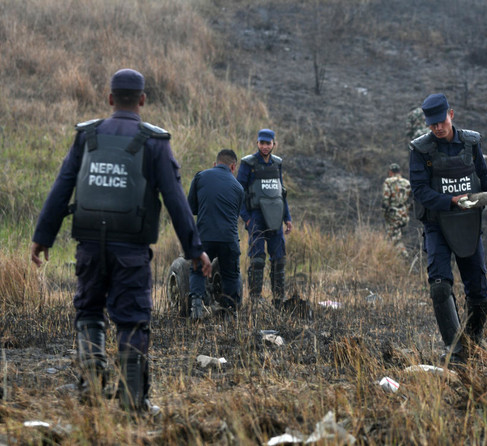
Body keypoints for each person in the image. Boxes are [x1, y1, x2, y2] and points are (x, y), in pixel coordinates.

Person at [30, 68, 212, 413]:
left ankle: (92, 381)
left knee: (88, 310)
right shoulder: (154, 142)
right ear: (142, 100)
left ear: (110, 98)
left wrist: (43, 236)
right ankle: (132, 401)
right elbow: (175, 200)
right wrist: (194, 250)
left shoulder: (87, 136)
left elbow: (62, 186)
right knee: (131, 318)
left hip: (88, 247)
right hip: (131, 251)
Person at [409, 93, 487, 364]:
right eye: (432, 124)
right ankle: (456, 352)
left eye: (441, 121)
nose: (437, 128)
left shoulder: (471, 143)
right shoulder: (421, 150)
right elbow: (421, 191)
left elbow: (483, 179)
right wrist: (451, 200)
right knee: (439, 285)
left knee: (479, 292)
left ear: (451, 114)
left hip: (468, 222)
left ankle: (471, 341)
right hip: (437, 224)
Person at [237, 129, 293, 304]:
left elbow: (281, 194)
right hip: (256, 217)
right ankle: (255, 298)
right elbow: (239, 192)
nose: (265, 147)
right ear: (257, 143)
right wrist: (246, 218)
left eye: (268, 143)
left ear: (274, 144)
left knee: (279, 259)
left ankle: (278, 298)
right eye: (262, 143)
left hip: (276, 218)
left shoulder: (277, 163)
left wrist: (287, 218)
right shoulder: (248, 163)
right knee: (257, 258)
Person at [187, 149, 244, 318]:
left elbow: (191, 208)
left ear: (215, 163)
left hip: (205, 235)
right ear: (233, 167)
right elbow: (235, 215)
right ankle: (229, 311)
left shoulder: (200, 177)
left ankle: (196, 306)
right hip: (229, 238)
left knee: (197, 270)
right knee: (231, 274)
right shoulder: (239, 187)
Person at [382, 163, 412, 258]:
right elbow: (412, 199)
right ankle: (395, 258)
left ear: (390, 172)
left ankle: (404, 257)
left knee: (393, 238)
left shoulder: (388, 182)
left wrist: (385, 211)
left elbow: (386, 199)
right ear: (400, 172)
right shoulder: (407, 183)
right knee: (396, 236)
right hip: (403, 214)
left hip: (393, 214)